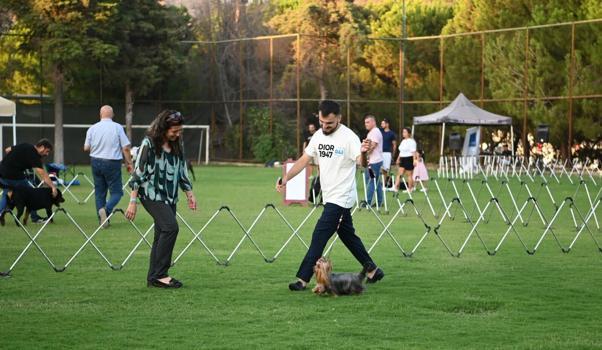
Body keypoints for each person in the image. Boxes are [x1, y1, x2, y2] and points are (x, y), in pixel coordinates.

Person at [276, 100, 384, 291]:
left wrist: (365, 153)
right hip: (329, 196)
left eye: (330, 124)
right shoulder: (318, 136)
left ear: (339, 119)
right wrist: (286, 179)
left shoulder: (350, 138)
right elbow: (304, 160)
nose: (325, 127)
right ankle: (373, 270)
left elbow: (362, 163)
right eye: (322, 122)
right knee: (348, 236)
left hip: (341, 199)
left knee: (319, 235)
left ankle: (302, 279)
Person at [125, 110, 197, 289]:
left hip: (170, 196)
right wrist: (133, 202)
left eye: (180, 131)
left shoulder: (177, 144)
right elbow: (138, 173)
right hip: (150, 195)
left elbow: (182, 170)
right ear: (164, 128)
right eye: (174, 131)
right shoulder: (148, 143)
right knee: (171, 228)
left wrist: (189, 194)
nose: (177, 134)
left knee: (161, 234)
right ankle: (161, 274)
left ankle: (153, 277)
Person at [84, 105, 133, 228]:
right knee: (117, 192)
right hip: (112, 162)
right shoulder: (117, 127)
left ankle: (102, 221)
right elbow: (126, 148)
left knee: (100, 193)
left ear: (100, 115)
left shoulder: (92, 128)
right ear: (112, 115)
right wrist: (129, 163)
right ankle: (106, 211)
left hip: (95, 161)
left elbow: (86, 148)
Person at [0, 139, 58, 225]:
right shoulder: (34, 155)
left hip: (2, 171)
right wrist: (53, 187)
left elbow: (8, 149)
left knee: (7, 194)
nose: (47, 154)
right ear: (41, 147)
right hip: (14, 175)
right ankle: (35, 218)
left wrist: (13, 160)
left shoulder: (25, 144)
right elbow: (41, 173)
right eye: (47, 151)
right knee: (30, 194)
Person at [363, 115, 384, 207]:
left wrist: (364, 154)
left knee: (371, 180)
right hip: (373, 160)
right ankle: (379, 202)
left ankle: (367, 202)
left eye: (368, 122)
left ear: (373, 122)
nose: (366, 124)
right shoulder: (371, 132)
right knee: (376, 182)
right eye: (365, 123)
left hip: (375, 162)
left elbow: (373, 146)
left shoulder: (375, 132)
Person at [394, 127, 418, 193]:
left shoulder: (412, 142)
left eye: (405, 132)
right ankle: (395, 187)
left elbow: (413, 152)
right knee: (399, 174)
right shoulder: (403, 141)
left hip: (409, 158)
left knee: (409, 175)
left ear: (408, 133)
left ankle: (410, 189)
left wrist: (414, 160)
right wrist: (398, 159)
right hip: (403, 158)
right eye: (403, 132)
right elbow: (401, 151)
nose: (403, 133)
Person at [380, 118, 397, 188]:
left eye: (383, 123)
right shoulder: (380, 132)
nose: (381, 125)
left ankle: (385, 185)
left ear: (387, 124)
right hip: (380, 153)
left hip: (387, 153)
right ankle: (382, 184)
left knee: (386, 170)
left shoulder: (391, 134)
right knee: (379, 169)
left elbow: (394, 145)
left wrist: (393, 155)